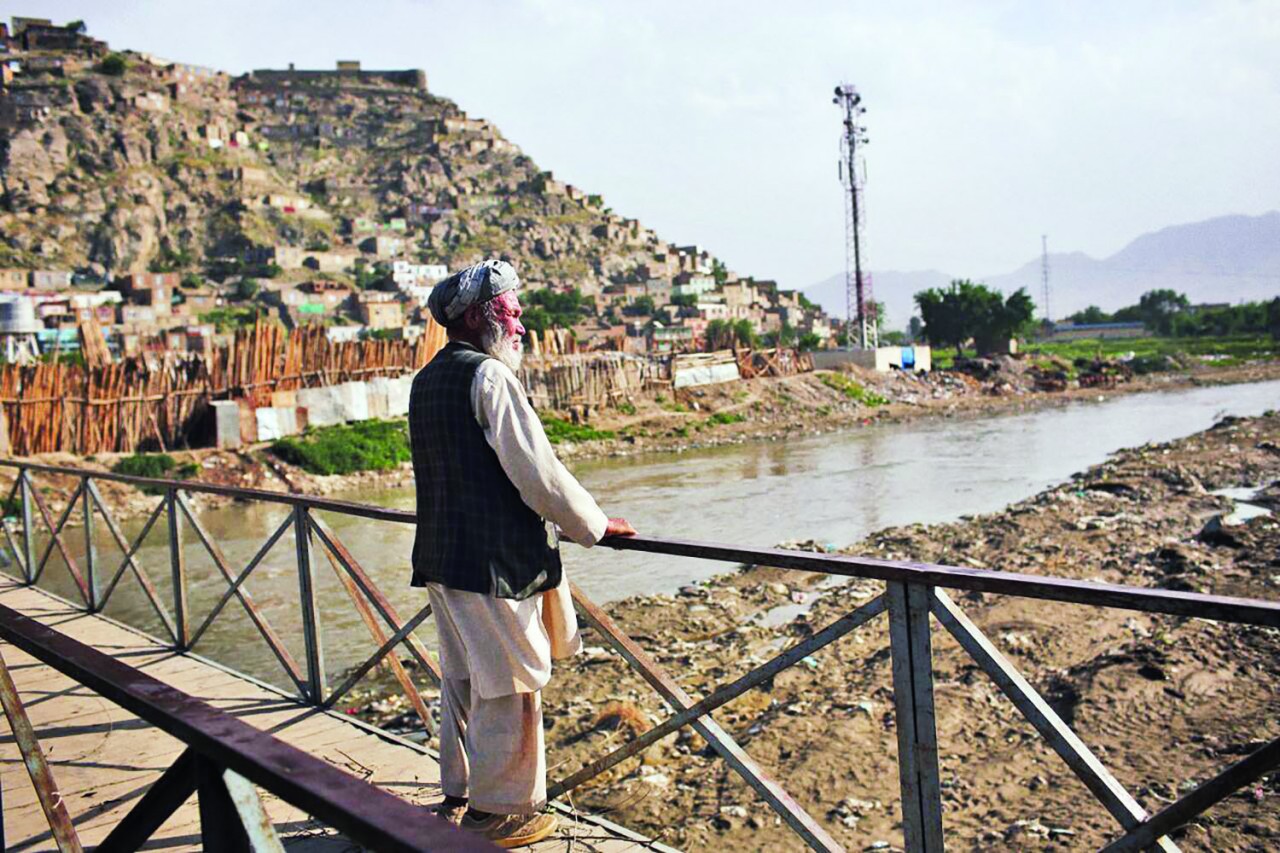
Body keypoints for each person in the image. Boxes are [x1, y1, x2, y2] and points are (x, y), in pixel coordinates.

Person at [409, 259, 636, 848]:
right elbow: (538, 474)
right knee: (510, 682)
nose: (521, 327)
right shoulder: (489, 378)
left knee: (463, 679)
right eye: (512, 313)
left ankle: (461, 792)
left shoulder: (427, 379)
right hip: (490, 563)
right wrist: (593, 526)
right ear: (482, 316)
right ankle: (503, 812)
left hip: (444, 557)